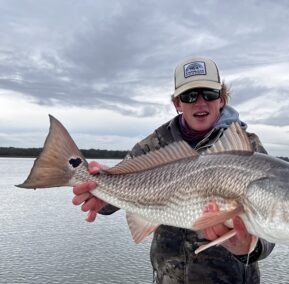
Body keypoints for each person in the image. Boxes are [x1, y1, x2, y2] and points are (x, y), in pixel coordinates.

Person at [72, 56, 275, 284]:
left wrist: (250, 247)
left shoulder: (247, 149)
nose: (200, 103)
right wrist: (99, 193)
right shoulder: (153, 145)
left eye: (209, 94)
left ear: (222, 100)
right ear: (177, 104)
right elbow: (119, 190)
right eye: (189, 96)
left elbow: (275, 225)